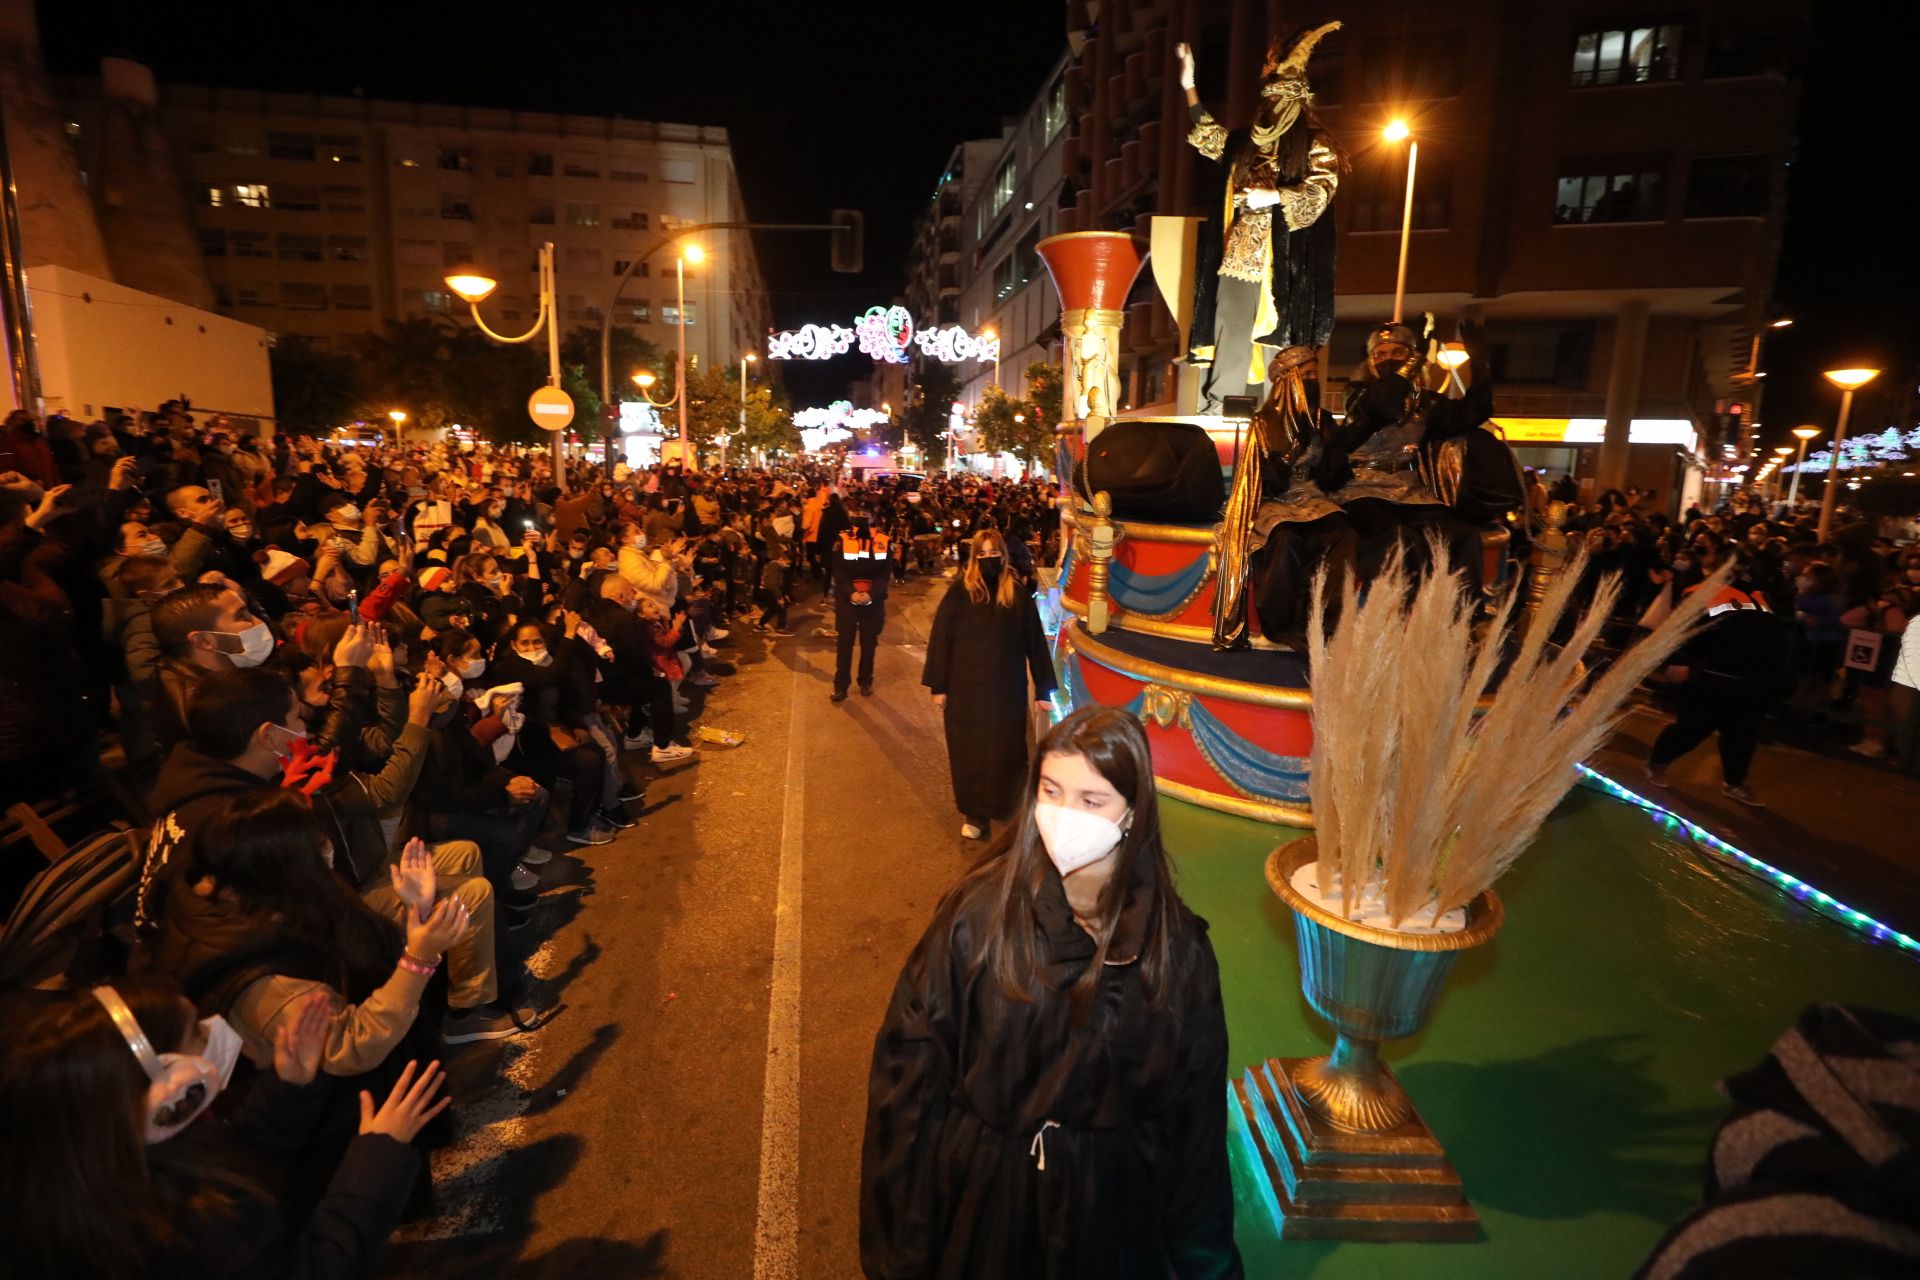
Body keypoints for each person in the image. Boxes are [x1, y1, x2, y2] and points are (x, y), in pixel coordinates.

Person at [861, 706, 1240, 1279]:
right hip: (987, 1203)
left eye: (1093, 801)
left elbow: (1196, 1127)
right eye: (1052, 790)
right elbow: (908, 1082)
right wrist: (900, 1249)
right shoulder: (977, 920)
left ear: (1132, 812)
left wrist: (1206, 1264)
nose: (1065, 817)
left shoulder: (1177, 951)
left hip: (1114, 1215)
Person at [0, 977, 448, 1280]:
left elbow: (235, 1150)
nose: (211, 1035)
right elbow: (320, 1266)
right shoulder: (185, 1224)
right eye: (195, 1034)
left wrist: (289, 1086)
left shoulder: (94, 1170)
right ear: (166, 1090)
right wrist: (377, 1155)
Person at [1178, 25, 1343, 413]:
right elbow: (1210, 138)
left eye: (1279, 102)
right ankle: (1220, 406)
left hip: (1284, 259)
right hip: (1238, 255)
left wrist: (1275, 195)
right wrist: (1190, 88)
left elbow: (1321, 190)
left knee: (1279, 336)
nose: (1271, 110)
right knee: (1230, 329)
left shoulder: (1315, 144)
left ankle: (1278, 408)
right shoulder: (1245, 144)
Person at [923, 529, 1058, 840]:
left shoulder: (1017, 596)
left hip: (1004, 691)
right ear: (973, 559)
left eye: (993, 554)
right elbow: (941, 640)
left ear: (1003, 555)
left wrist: (1043, 688)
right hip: (965, 692)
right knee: (968, 753)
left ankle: (1010, 811)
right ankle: (976, 814)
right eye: (981, 555)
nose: (987, 560)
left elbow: (1035, 643)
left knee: (1007, 751)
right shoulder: (960, 593)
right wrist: (938, 687)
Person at [1646, 569, 1792, 807]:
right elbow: (1684, 629)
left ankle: (1734, 783)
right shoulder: (1707, 594)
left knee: (1742, 735)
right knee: (1692, 729)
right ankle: (1658, 763)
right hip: (1710, 679)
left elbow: (1773, 642)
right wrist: (1680, 660)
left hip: (1749, 682)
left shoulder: (1760, 599)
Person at [830, 497, 892, 703]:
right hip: (848, 599)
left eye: (866, 514)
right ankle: (841, 686)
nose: (862, 518)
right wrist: (851, 593)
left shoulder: (883, 541)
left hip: (872, 601)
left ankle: (865, 681)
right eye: (858, 514)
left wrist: (871, 595)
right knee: (844, 644)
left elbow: (885, 575)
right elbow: (838, 573)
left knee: (869, 644)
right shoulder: (843, 540)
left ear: (873, 517)